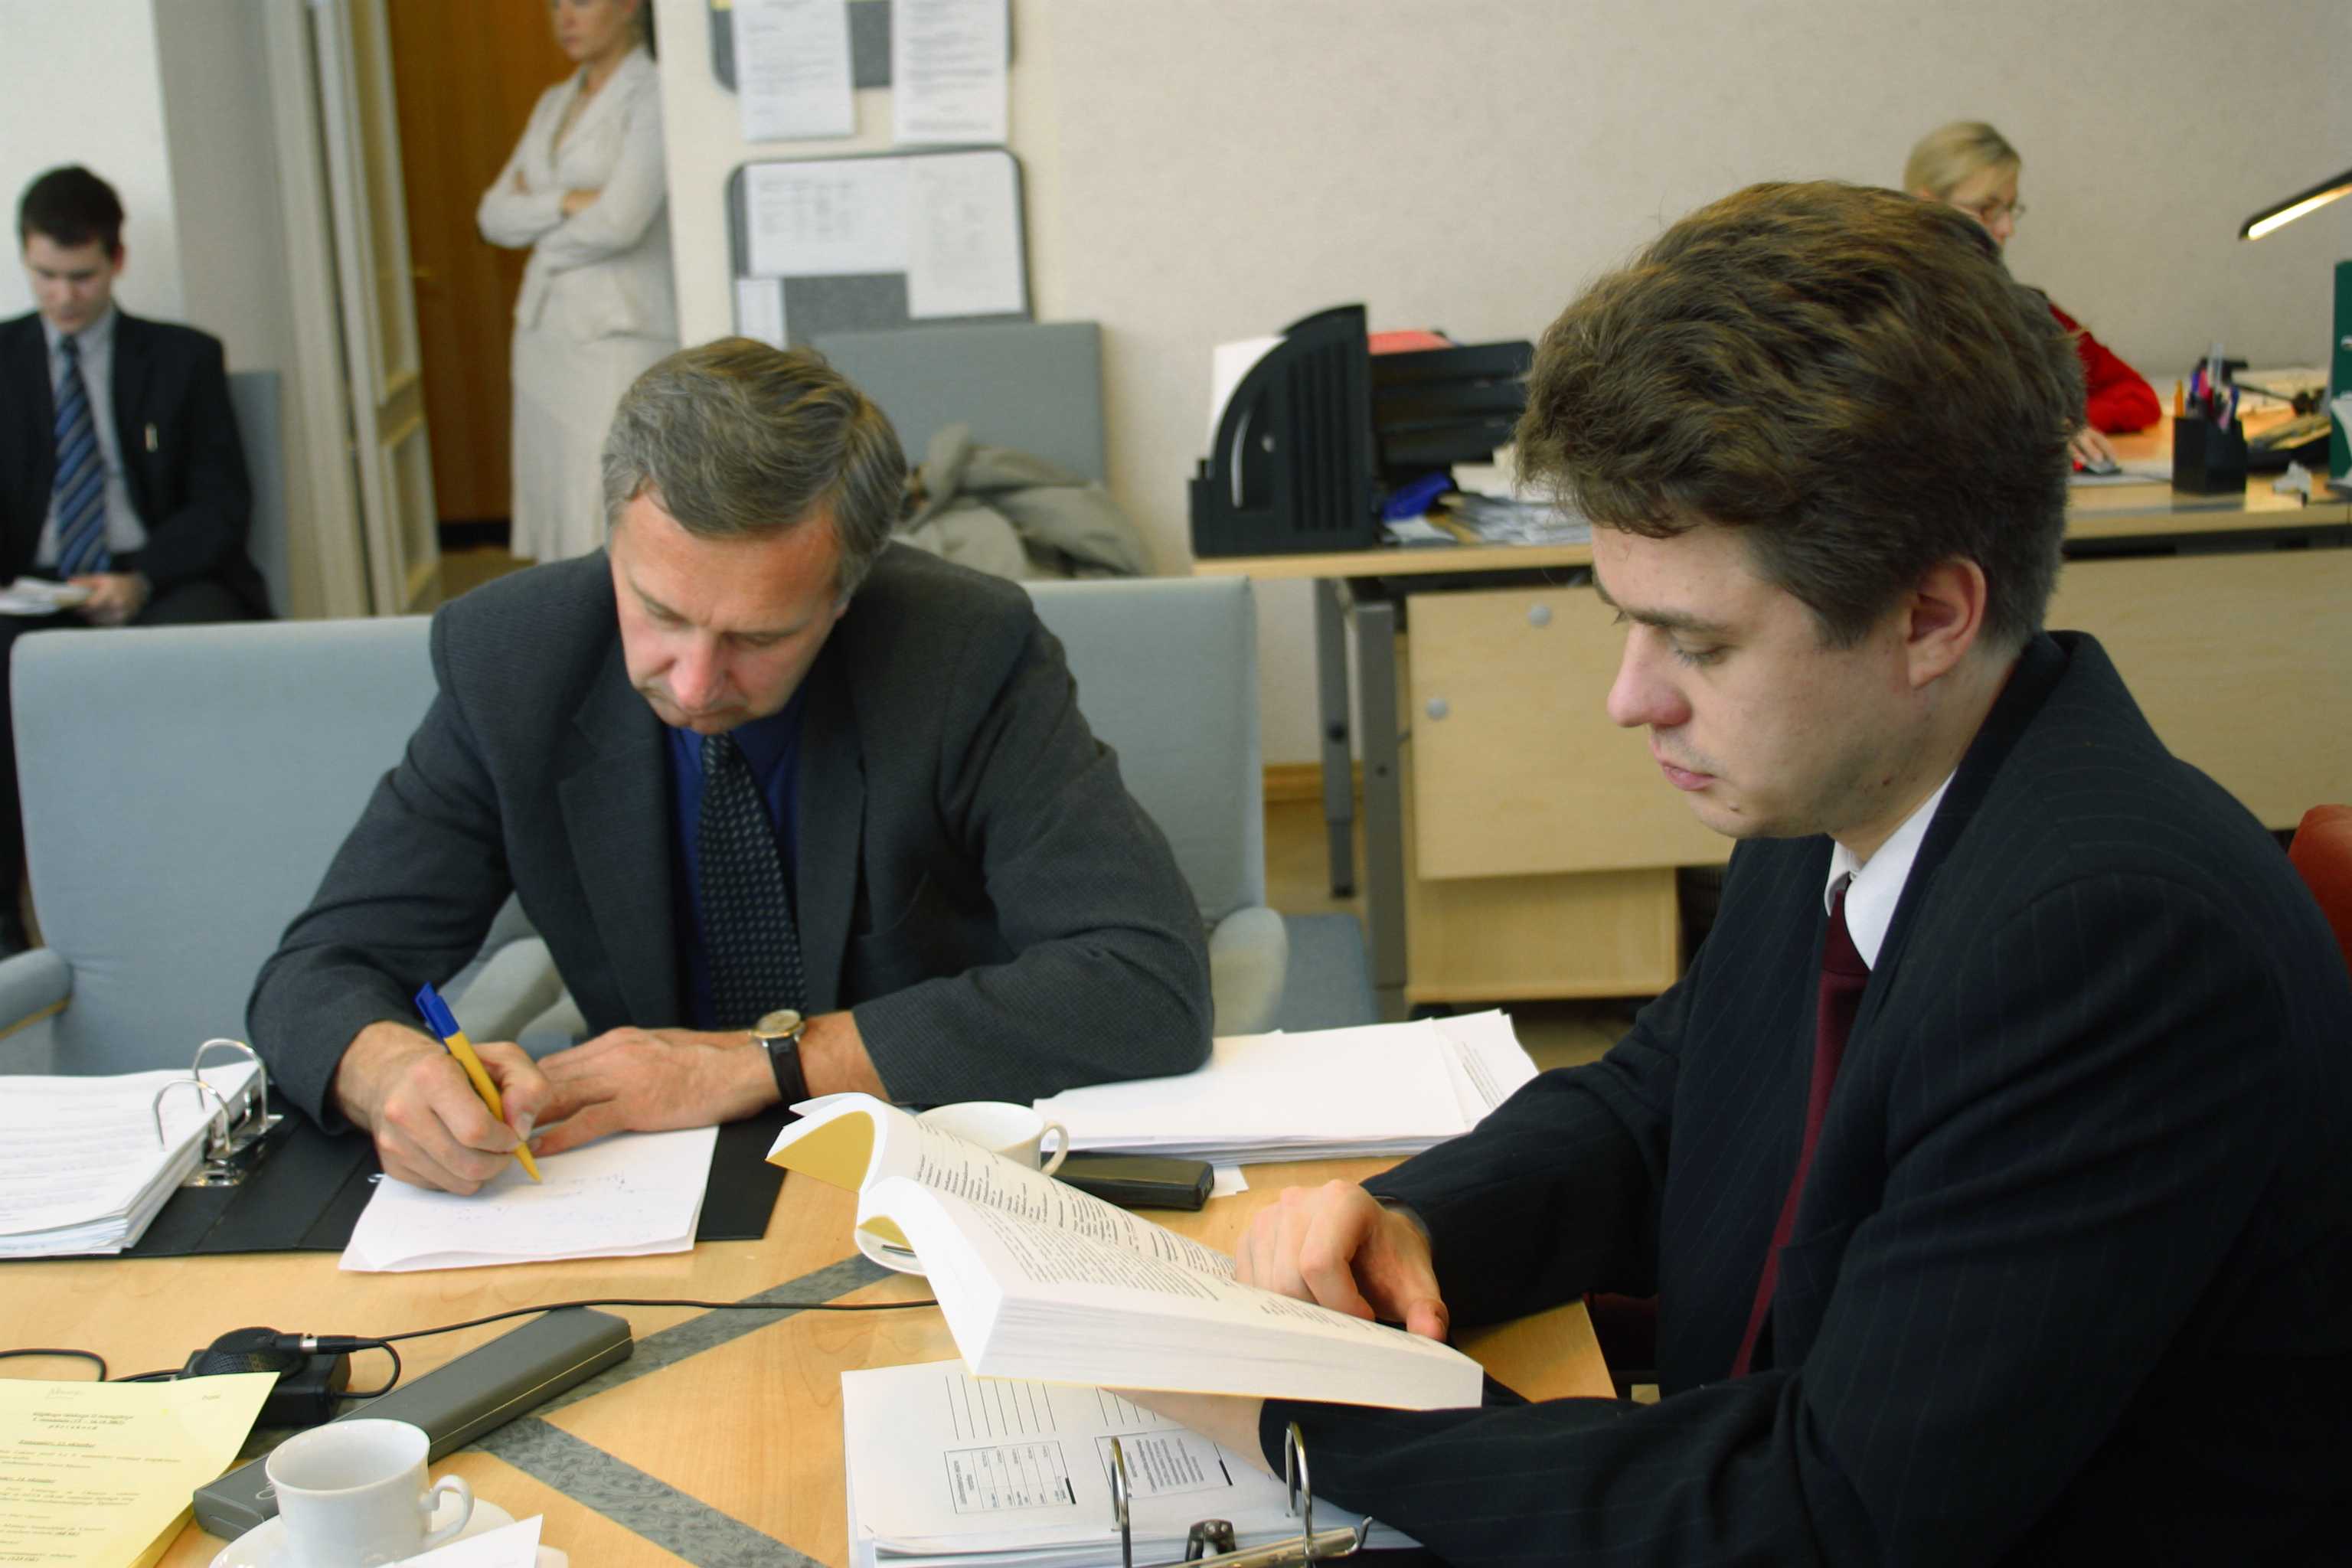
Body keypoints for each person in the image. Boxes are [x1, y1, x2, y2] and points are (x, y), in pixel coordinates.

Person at [1134, 183, 2352, 1562]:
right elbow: (1663, 1100)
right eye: (1627, 623)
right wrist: (1417, 1222)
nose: (1630, 698)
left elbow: (1826, 1514)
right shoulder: (1854, 786)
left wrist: (1305, 1414)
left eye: (1698, 645)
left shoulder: (2113, 942)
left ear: (1930, 616)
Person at [248, 339, 1211, 1196]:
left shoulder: (963, 653)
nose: (696, 682)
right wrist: (384, 1070)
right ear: (613, 541)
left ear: (845, 592)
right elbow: (320, 970)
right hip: (643, 1182)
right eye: (660, 613)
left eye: (759, 636)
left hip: (925, 1160)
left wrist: (762, 1063)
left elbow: (1145, 979)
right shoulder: (511, 660)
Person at [0, 165, 270, 952]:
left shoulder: (183, 358)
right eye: (45, 275)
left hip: (158, 572)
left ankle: (211, 886)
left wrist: (140, 577)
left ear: (116, 260)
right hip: (35, 585)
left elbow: (222, 504)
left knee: (191, 648)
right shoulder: (4, 358)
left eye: (81, 276)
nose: (63, 296)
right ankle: (7, 922)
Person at [478, 0, 677, 564]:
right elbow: (492, 216)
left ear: (630, 6)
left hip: (617, 333)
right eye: (557, 2)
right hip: (544, 332)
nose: (565, 16)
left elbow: (620, 221)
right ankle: (568, 613)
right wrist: (566, 201)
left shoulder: (654, 90)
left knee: (611, 502)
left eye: (583, 1)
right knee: (557, 501)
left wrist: (539, 227)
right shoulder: (554, 101)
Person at [1906, 119, 2160, 469]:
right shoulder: (1887, 313)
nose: (2007, 228)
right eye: (1987, 210)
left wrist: (2062, 426)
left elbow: (2135, 395)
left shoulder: (2026, 310)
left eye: (2010, 209)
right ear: (1927, 205)